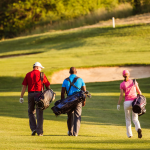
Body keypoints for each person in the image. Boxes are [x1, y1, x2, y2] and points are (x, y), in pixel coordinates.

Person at [20, 62, 50, 136]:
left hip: (30, 95)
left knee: (31, 111)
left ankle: (33, 129)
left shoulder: (28, 74)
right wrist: (49, 94)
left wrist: (21, 97)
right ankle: (39, 132)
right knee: (39, 113)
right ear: (37, 67)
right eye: (40, 68)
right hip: (39, 95)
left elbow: (24, 87)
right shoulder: (42, 74)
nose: (40, 69)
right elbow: (47, 86)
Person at [61, 67, 86, 136]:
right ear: (76, 72)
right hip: (78, 99)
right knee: (77, 116)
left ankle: (70, 132)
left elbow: (63, 92)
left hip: (69, 100)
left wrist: (62, 102)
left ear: (69, 72)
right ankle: (75, 133)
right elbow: (84, 92)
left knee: (70, 116)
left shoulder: (65, 80)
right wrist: (84, 101)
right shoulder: (80, 80)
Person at [117, 70, 142, 138]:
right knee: (135, 118)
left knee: (128, 119)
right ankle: (138, 129)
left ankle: (130, 135)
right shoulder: (134, 82)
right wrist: (141, 101)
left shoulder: (122, 84)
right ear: (129, 74)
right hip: (135, 102)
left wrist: (118, 104)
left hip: (127, 103)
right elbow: (139, 92)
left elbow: (121, 95)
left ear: (123, 76)